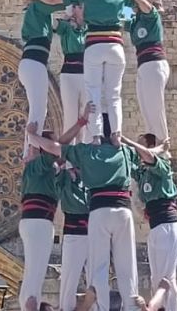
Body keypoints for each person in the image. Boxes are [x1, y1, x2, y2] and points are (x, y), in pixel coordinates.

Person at [28, 123, 167, 311]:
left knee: (98, 268)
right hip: (115, 213)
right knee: (126, 265)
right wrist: (160, 147)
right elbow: (147, 155)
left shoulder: (86, 154)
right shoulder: (123, 151)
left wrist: (32, 137)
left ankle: (102, 306)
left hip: (98, 215)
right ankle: (129, 306)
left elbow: (56, 148)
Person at [35, 0, 150, 141]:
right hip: (97, 57)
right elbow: (143, 5)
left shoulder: (88, 2)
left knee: (93, 98)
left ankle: (96, 137)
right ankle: (111, 135)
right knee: (105, 98)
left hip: (92, 55)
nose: (79, 9)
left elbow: (58, 1)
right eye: (78, 7)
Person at [129, 133, 177, 311]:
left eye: (141, 144)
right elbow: (131, 165)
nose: (138, 148)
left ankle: (157, 307)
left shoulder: (162, 166)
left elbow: (148, 155)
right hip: (157, 226)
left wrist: (126, 140)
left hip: (167, 225)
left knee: (165, 279)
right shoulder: (143, 172)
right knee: (157, 278)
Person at [20, 0, 66, 150]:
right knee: (39, 111)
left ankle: (30, 150)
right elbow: (55, 4)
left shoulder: (39, 14)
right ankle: (30, 153)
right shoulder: (39, 5)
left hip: (31, 63)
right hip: (34, 64)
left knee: (38, 110)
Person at [19, 134, 61, 311]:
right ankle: (30, 305)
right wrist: (80, 124)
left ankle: (28, 304)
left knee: (32, 273)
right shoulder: (41, 164)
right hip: (39, 223)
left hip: (31, 222)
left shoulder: (34, 168)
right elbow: (57, 149)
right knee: (35, 275)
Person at [125, 0, 169, 142]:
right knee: (146, 110)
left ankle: (164, 144)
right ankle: (153, 142)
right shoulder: (135, 22)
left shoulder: (151, 14)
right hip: (143, 66)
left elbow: (144, 4)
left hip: (154, 63)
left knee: (155, 109)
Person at [57, 159, 91, 311]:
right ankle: (66, 308)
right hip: (73, 232)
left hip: (92, 234)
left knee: (96, 277)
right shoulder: (64, 179)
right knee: (69, 278)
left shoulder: (89, 182)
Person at [55, 5, 91, 144]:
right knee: (70, 116)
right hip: (69, 74)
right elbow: (53, 24)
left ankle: (83, 153)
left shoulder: (90, 28)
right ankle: (68, 157)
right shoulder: (66, 27)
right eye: (78, 7)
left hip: (87, 74)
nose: (82, 9)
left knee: (86, 115)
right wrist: (66, 16)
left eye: (82, 6)